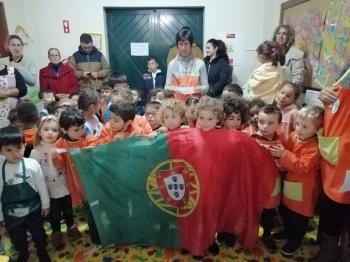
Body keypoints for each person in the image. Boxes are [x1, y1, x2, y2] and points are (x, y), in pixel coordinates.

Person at [269, 106, 323, 257]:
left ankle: (296, 240)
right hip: (290, 182)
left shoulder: (314, 146)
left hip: (304, 188)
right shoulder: (294, 136)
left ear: (317, 129)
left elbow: (302, 166)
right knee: (286, 210)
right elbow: (285, 152)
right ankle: (288, 231)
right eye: (298, 124)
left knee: (299, 217)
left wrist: (283, 154)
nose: (299, 128)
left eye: (305, 126)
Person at [309, 67, 350, 262]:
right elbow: (334, 103)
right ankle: (328, 250)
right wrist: (326, 97)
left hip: (341, 156)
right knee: (333, 204)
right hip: (338, 159)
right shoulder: (345, 76)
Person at [30, 115, 82, 250]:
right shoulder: (36, 151)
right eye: (46, 129)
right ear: (39, 131)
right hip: (49, 189)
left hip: (65, 185)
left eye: (54, 130)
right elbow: (35, 174)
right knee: (55, 213)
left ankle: (71, 227)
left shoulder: (62, 145)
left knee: (68, 209)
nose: (50, 133)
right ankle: (56, 232)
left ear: (60, 131)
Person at [0, 126, 51, 262]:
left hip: (33, 208)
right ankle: (23, 253)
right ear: (1, 151)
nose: (15, 153)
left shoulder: (31, 164)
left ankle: (41, 250)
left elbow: (41, 186)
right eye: (9, 150)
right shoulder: (0, 169)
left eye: (19, 148)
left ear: (24, 145)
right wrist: (0, 215)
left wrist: (45, 204)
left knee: (38, 233)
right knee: (17, 238)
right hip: (11, 213)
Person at [54, 108, 99, 244]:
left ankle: (101, 232)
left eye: (82, 127)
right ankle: (95, 234)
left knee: (96, 208)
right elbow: (60, 165)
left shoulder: (88, 138)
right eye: (76, 129)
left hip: (93, 181)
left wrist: (91, 149)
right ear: (63, 130)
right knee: (89, 209)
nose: (80, 131)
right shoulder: (60, 143)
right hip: (77, 183)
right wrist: (55, 156)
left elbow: (96, 152)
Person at [251, 104, 283, 251]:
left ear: (279, 125)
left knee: (269, 211)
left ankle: (267, 235)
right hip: (254, 184)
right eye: (261, 122)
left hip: (272, 184)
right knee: (252, 210)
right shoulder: (251, 139)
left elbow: (284, 167)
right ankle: (250, 234)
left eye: (270, 123)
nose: (264, 127)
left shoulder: (281, 142)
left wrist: (280, 156)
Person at [165, 27, 209, 101]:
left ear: (191, 44)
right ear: (177, 45)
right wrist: (174, 89)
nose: (183, 48)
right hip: (177, 105)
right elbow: (166, 88)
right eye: (180, 44)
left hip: (195, 103)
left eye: (186, 44)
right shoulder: (172, 64)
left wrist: (198, 89)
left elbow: (206, 87)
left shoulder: (200, 63)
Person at [0, 35, 37, 99]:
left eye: (19, 45)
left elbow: (32, 81)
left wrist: (19, 68)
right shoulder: (2, 62)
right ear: (8, 47)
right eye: (13, 45)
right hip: (10, 99)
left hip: (30, 98)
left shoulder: (30, 61)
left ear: (22, 47)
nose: (16, 48)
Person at [0, 62, 27, 128]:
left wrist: (7, 92)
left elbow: (23, 90)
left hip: (15, 115)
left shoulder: (12, 70)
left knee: (15, 136)